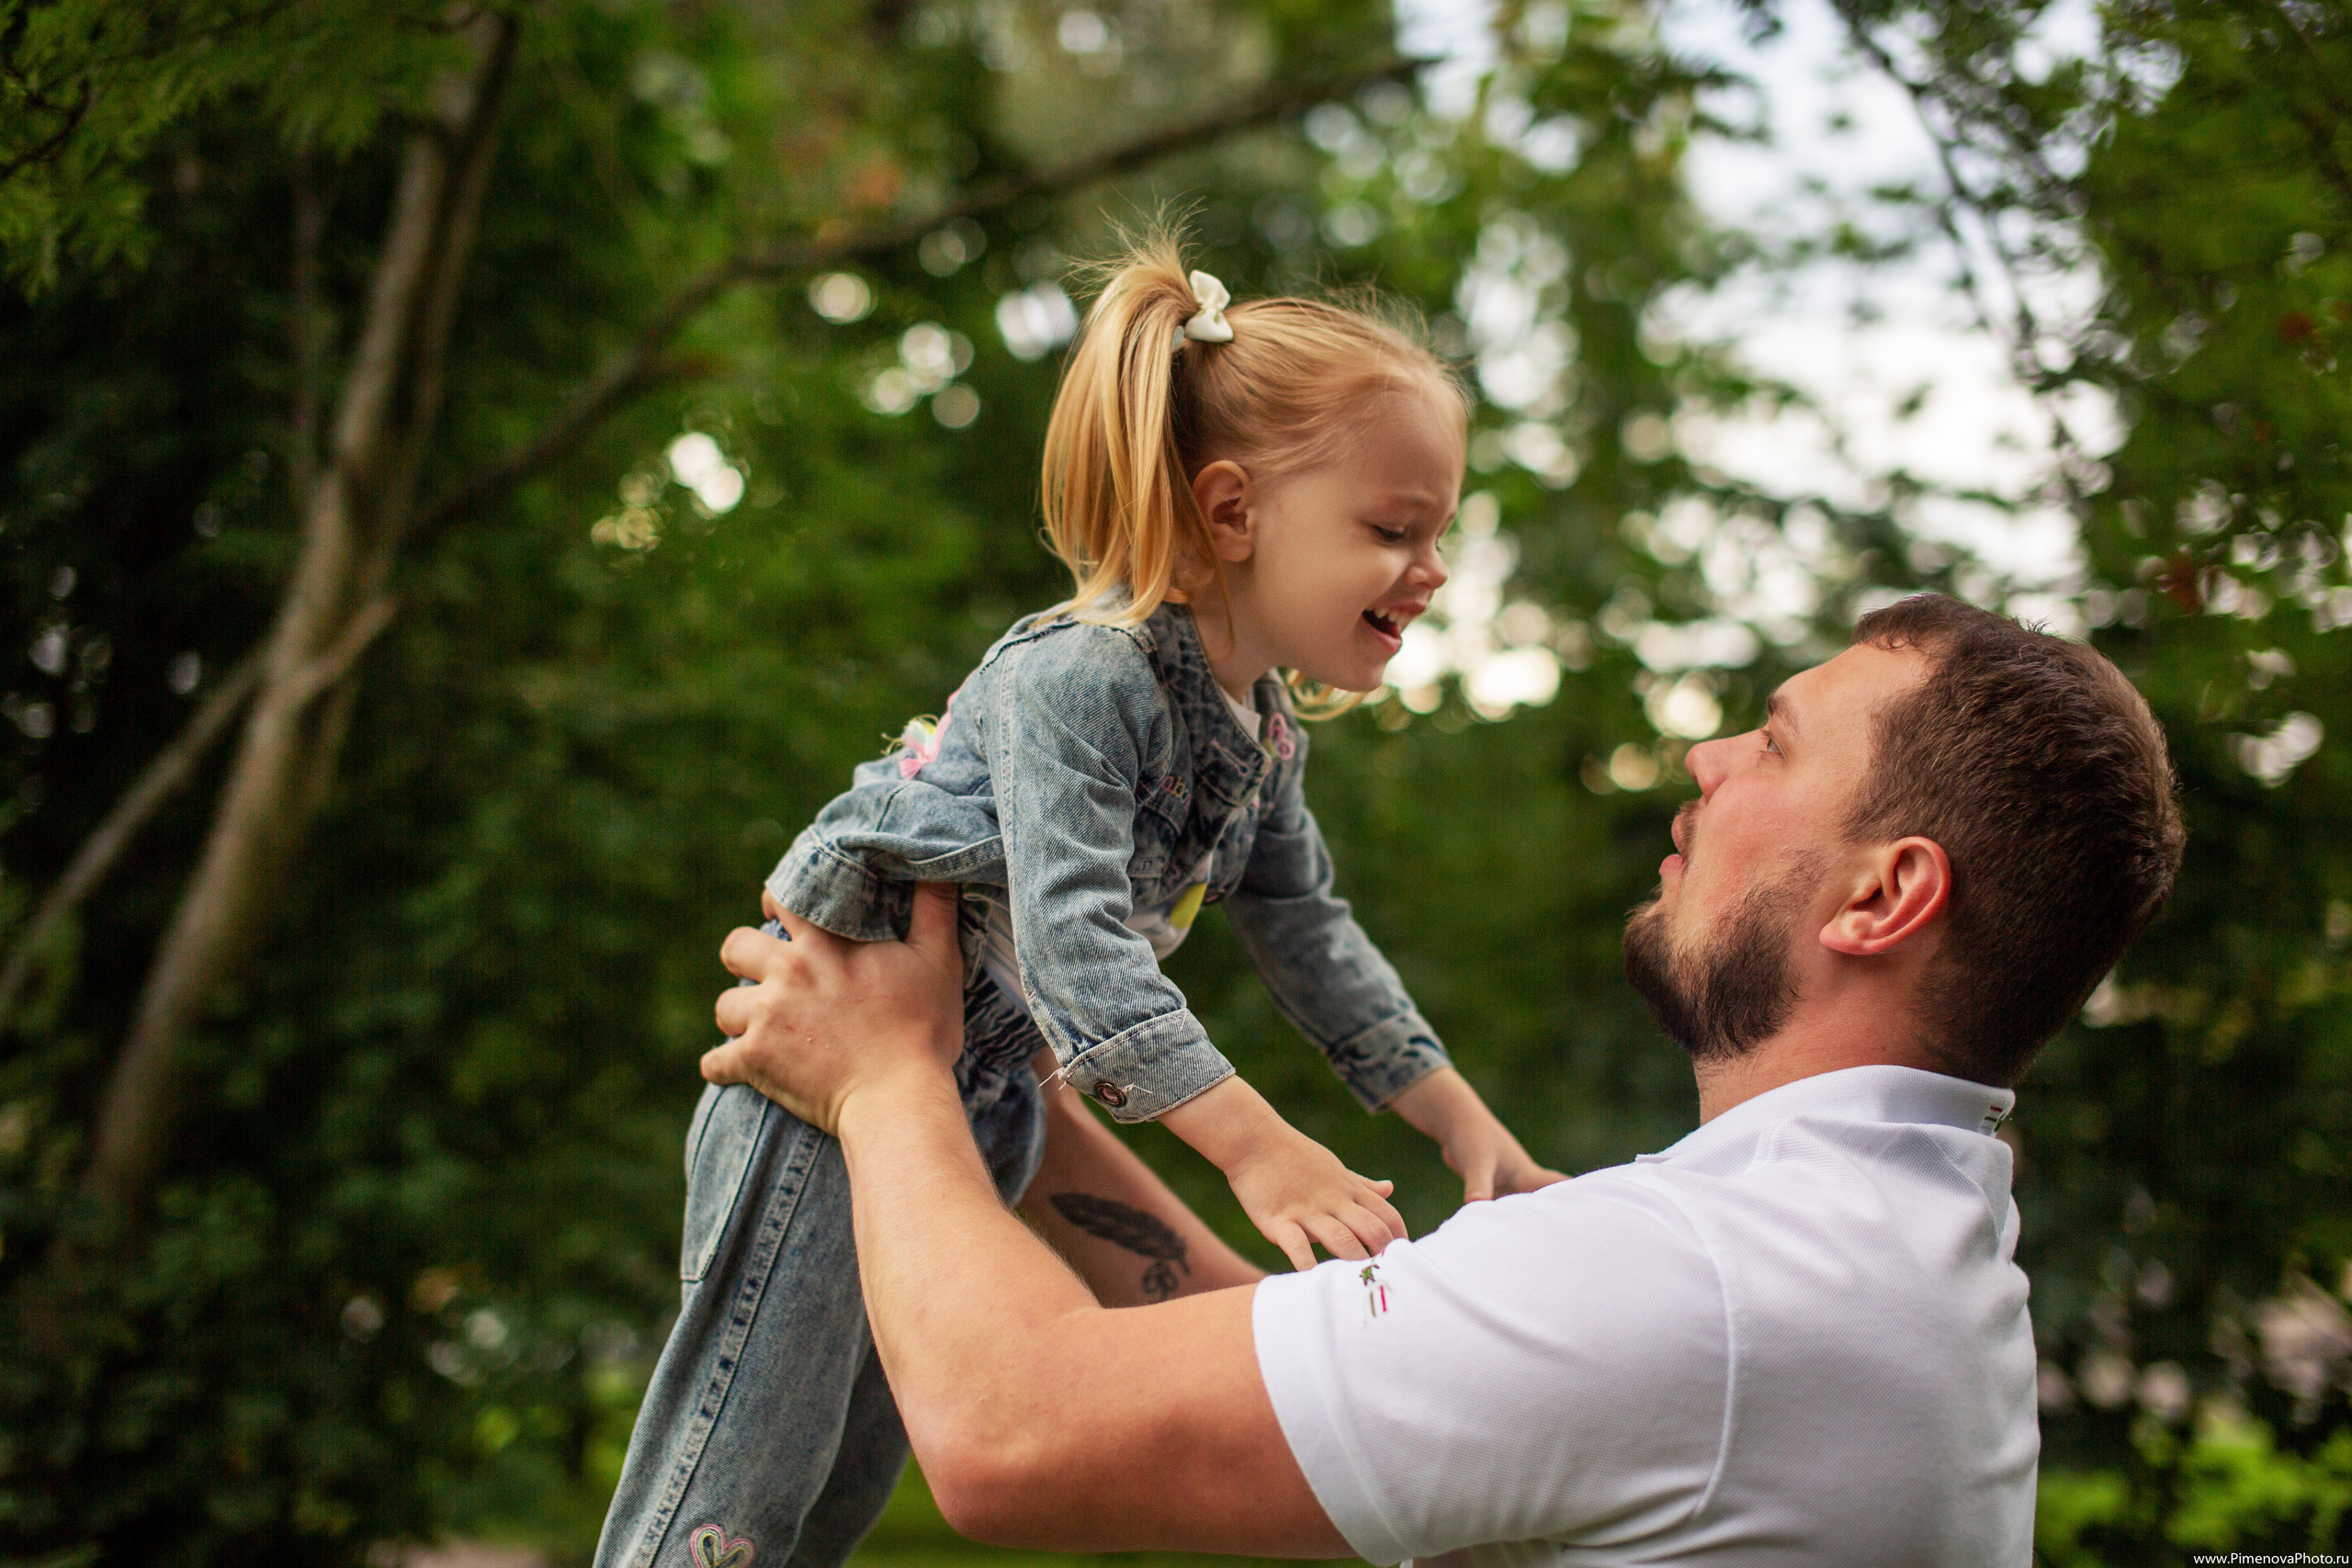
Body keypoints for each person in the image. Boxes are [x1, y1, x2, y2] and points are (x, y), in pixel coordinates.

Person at [701, 592, 2186, 1567]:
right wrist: (1002, 1080)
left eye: (1777, 744)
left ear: (1882, 898)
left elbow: (1013, 1431)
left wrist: (888, 1082)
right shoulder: (1860, 1258)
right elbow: (1263, 1357)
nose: (1709, 751)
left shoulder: (1709, 1285)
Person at [594, 239, 1564, 1568]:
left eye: (1439, 532)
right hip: (830, 1077)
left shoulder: (1265, 737)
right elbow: (1076, 947)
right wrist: (1256, 1150)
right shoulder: (1086, 675)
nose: (1432, 568)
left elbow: (1310, 932)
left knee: (837, 1497)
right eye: (1394, 530)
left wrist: (1469, 1132)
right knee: (734, 1492)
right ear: (1232, 513)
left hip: (967, 1099)